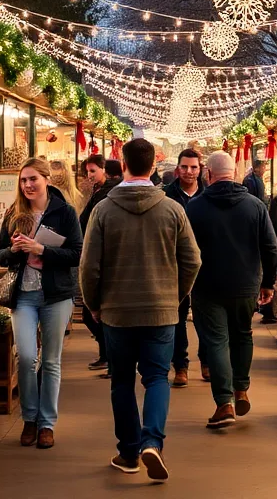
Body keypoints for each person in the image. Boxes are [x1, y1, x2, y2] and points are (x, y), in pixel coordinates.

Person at [80, 138, 201, 483]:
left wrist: (94, 304)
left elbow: (89, 267)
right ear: (153, 166)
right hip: (161, 311)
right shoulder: (172, 209)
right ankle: (153, 441)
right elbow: (192, 260)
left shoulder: (104, 209)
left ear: (123, 163)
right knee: (156, 378)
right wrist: (174, 296)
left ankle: (129, 452)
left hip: (116, 312)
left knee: (121, 381)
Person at [0, 157, 83, 449]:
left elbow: (76, 254)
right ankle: (29, 418)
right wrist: (15, 250)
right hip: (24, 297)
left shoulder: (64, 212)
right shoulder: (14, 213)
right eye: (23, 180)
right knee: (28, 357)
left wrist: (41, 248)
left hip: (55, 296)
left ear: (46, 180)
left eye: (33, 179)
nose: (28, 185)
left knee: (52, 361)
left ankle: (47, 424)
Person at [185, 151, 277, 429]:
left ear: (208, 174)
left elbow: (185, 250)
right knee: (242, 335)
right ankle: (241, 389)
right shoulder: (255, 206)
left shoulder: (195, 207)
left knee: (216, 341)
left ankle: (224, 402)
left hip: (206, 285)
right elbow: (270, 247)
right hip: (245, 284)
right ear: (235, 174)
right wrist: (268, 282)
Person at [163, 148, 207, 387]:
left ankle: (207, 360)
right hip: (174, 265)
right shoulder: (166, 196)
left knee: (204, 316)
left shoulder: (208, 196)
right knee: (177, 318)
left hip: (205, 265)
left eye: (194, 167)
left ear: (201, 170)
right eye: (185, 167)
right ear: (177, 169)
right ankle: (180, 365)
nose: (189, 172)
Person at [81, 153, 117, 371]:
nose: (90, 175)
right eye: (87, 171)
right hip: (96, 253)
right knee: (93, 314)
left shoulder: (107, 193)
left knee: (93, 313)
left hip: (102, 258)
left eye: (93, 171)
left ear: (104, 170)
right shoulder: (98, 191)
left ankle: (110, 356)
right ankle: (107, 355)